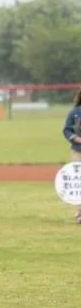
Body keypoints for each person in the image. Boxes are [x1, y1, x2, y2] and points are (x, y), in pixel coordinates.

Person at [62, 90, 81, 223]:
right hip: (78, 150)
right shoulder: (75, 112)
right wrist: (76, 138)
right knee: (79, 181)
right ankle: (80, 212)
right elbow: (67, 129)